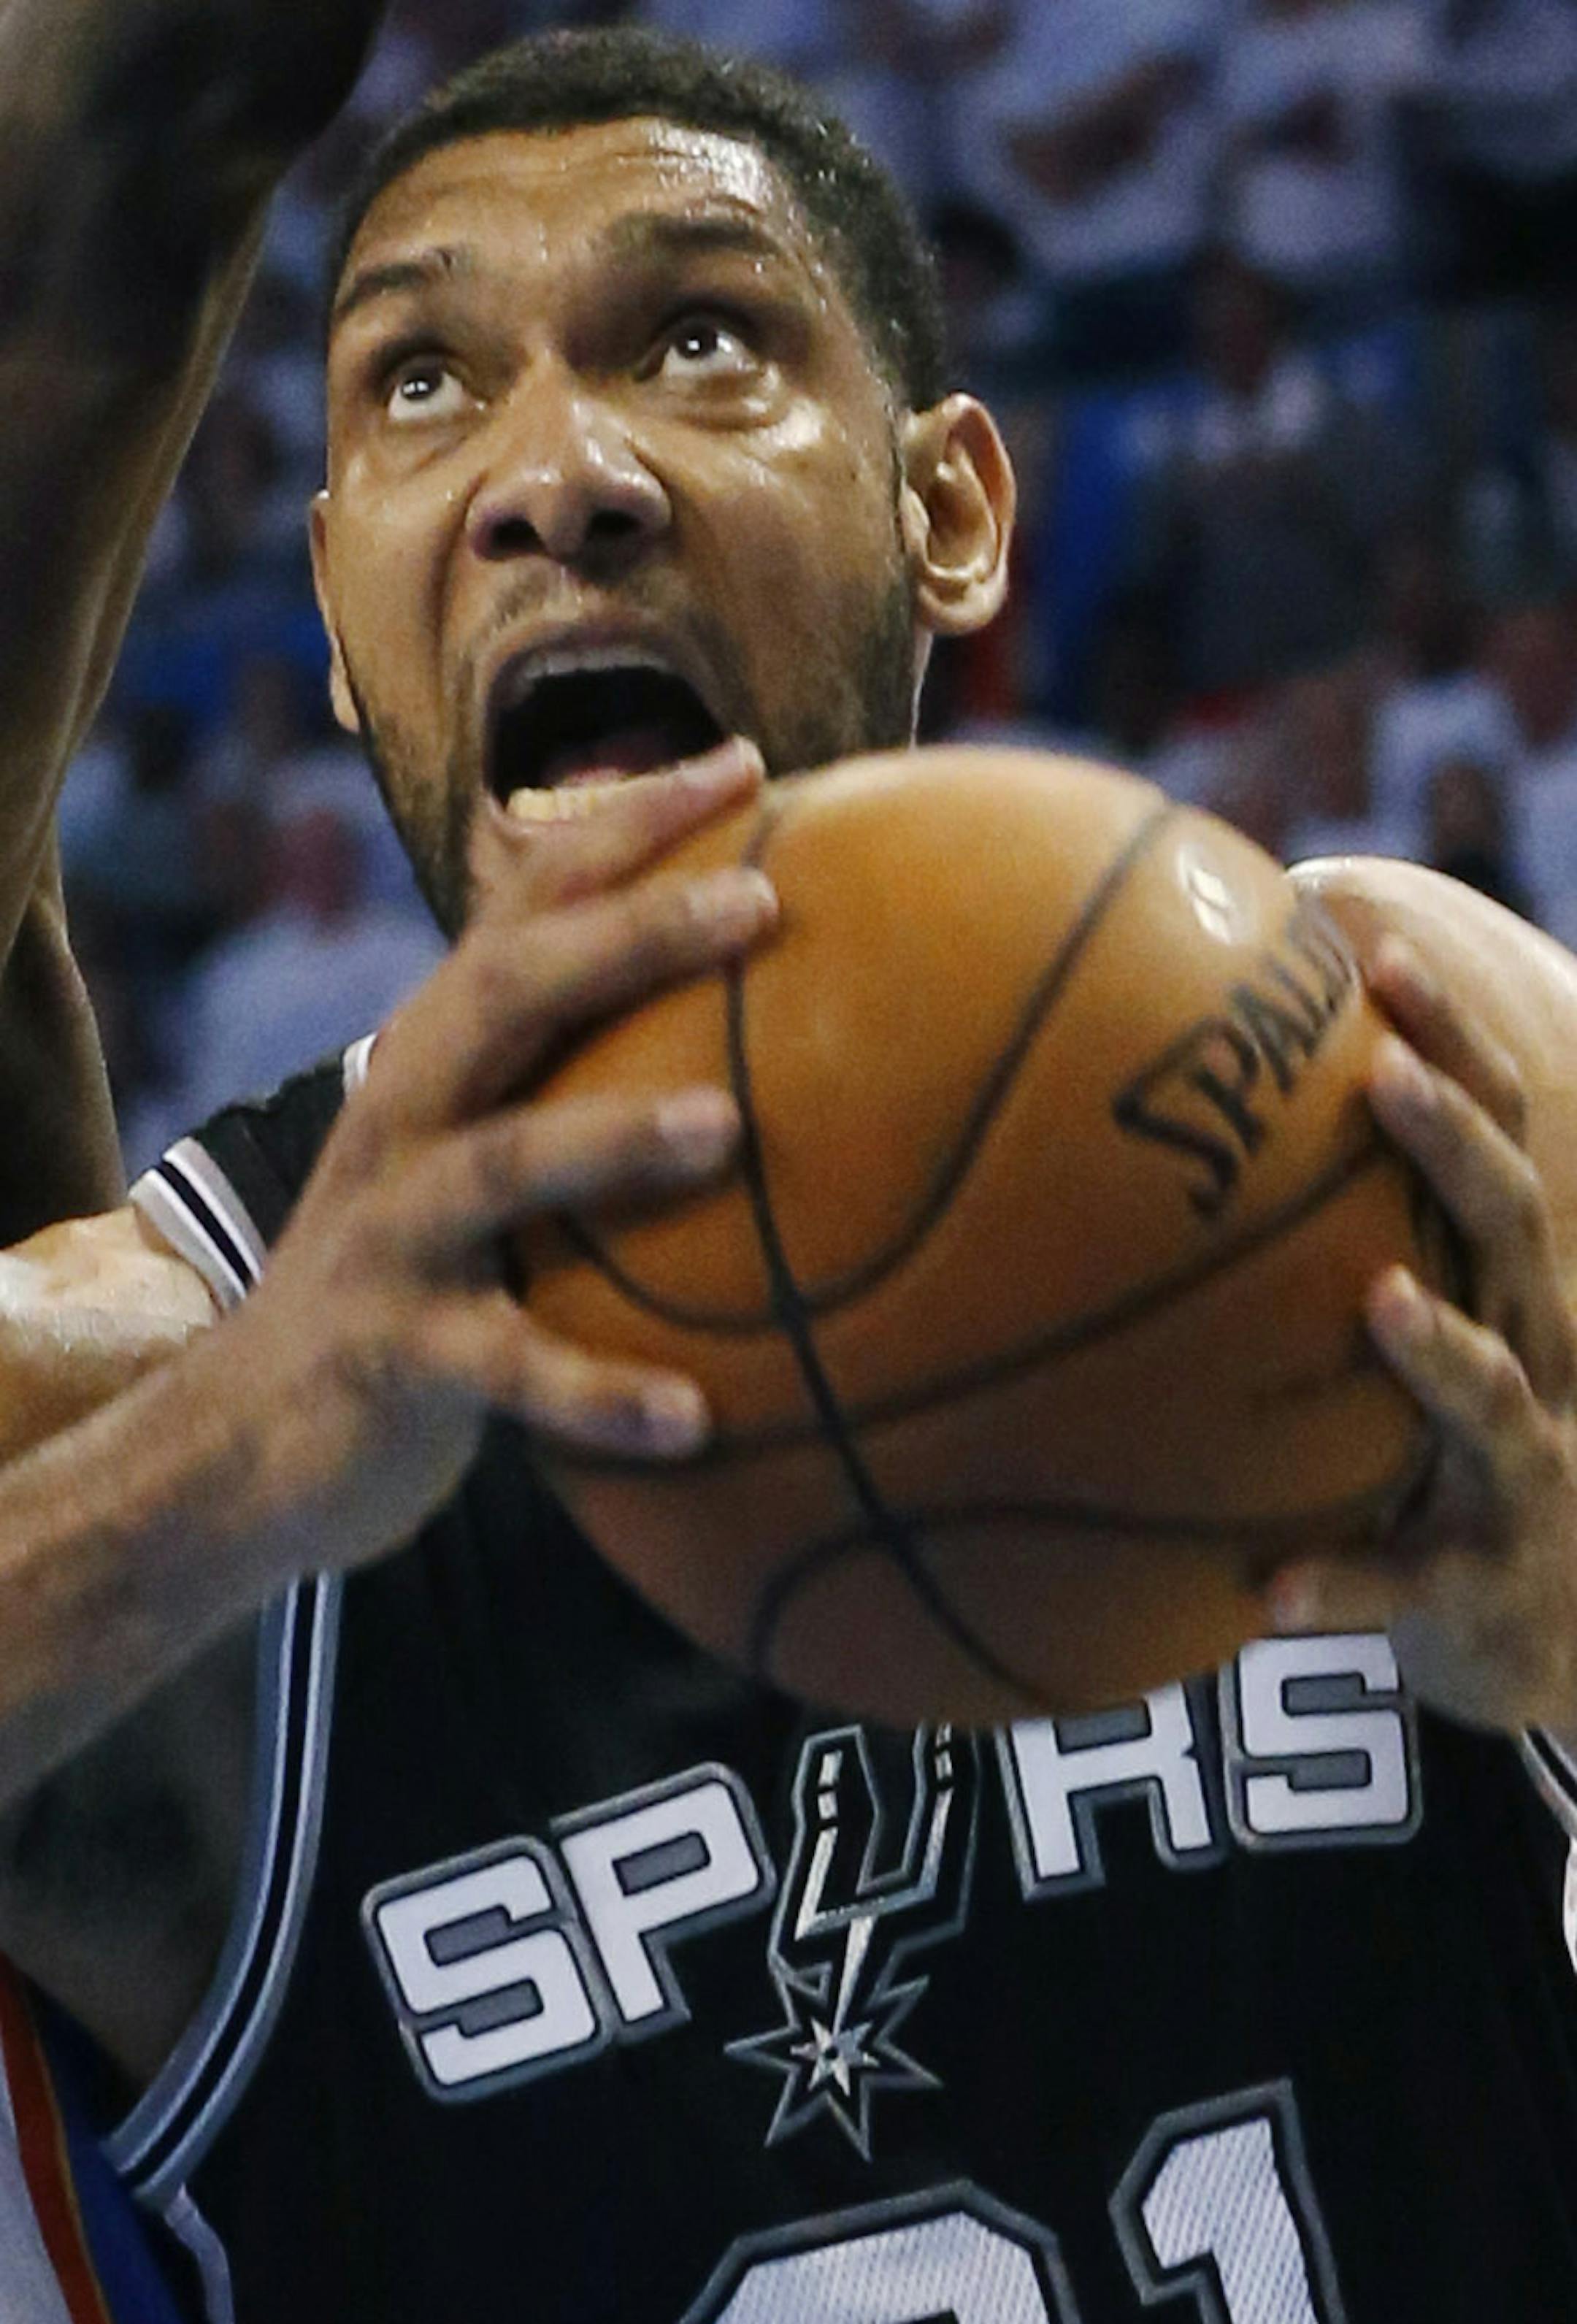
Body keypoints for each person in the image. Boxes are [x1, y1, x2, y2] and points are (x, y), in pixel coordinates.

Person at [4, 19, 1577, 2323]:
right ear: (334, 620)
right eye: (420, 387)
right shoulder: (181, 1372)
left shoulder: (1418, 1083)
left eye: (702, 338)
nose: (558, 474)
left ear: (952, 510)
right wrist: (238, 1465)